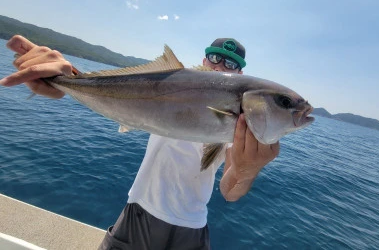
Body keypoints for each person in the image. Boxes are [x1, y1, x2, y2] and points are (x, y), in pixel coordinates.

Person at [1, 35, 280, 249]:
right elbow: (125, 93)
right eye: (214, 58)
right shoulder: (173, 84)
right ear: (204, 61)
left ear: (240, 74)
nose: (220, 66)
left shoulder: (239, 125)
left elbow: (230, 192)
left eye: (230, 64)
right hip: (139, 212)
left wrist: (247, 170)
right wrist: (64, 78)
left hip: (192, 229)